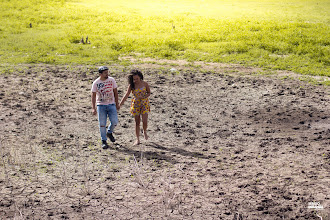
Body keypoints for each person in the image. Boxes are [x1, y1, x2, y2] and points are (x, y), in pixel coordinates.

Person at [119, 69, 151, 145]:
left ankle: (145, 131)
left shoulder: (145, 84)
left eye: (137, 78)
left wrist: (145, 96)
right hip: (136, 104)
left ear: (140, 77)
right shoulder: (132, 85)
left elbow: (149, 92)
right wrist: (120, 104)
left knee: (145, 121)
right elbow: (126, 95)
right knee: (137, 122)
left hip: (144, 104)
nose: (135, 80)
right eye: (134, 79)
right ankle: (137, 139)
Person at [91, 66, 119, 149]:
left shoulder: (111, 80)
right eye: (105, 73)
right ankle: (103, 140)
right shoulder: (96, 83)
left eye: (107, 72)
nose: (107, 74)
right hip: (101, 105)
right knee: (102, 124)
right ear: (100, 74)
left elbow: (115, 92)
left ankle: (109, 132)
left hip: (111, 104)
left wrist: (117, 103)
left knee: (114, 121)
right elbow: (93, 95)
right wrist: (93, 107)